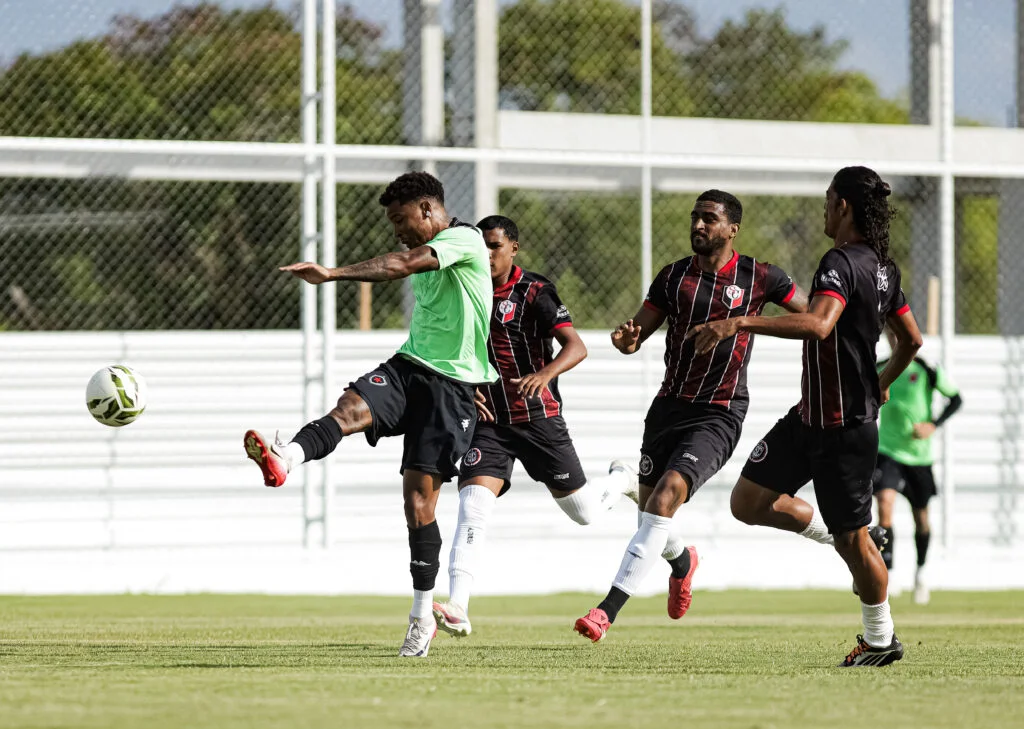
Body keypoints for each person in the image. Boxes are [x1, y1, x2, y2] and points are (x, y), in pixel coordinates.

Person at [242, 171, 495, 658]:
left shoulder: (464, 239)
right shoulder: (431, 245)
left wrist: (333, 274)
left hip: (453, 390)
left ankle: (422, 617)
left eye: (402, 219)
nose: (397, 230)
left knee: (418, 506)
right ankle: (286, 457)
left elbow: (402, 263)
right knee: (349, 408)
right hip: (409, 367)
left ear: (427, 209)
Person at [689, 166, 923, 667]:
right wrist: (881, 384)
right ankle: (833, 528)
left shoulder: (841, 261)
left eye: (826, 200)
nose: (822, 208)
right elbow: (911, 341)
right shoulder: (883, 266)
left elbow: (819, 324)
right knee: (747, 501)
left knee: (855, 547)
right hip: (808, 419)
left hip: (844, 430)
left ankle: (881, 641)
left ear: (843, 207)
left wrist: (740, 321)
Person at [573, 190, 810, 643]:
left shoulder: (761, 277)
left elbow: (814, 320)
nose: (698, 226)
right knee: (651, 514)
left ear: (732, 229)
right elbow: (636, 333)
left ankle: (606, 611)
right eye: (695, 218)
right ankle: (682, 562)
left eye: (709, 219)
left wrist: (742, 322)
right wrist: (627, 338)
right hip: (668, 408)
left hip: (718, 412)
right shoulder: (673, 277)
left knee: (662, 502)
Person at [431, 215, 638, 638]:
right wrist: (465, 388)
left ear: (513, 249)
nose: (486, 254)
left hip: (538, 418)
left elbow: (577, 346)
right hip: (490, 423)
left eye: (494, 246)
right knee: (473, 507)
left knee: (584, 513)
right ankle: (458, 606)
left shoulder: (535, 291)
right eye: (480, 246)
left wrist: (544, 375)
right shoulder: (466, 289)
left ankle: (621, 480)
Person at [874, 325, 962, 605]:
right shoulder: (879, 367)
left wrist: (932, 425)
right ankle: (888, 573)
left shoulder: (926, 368)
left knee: (921, 518)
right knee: (884, 507)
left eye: (897, 333)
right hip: (887, 450)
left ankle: (921, 574)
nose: (893, 338)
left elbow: (955, 398)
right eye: (889, 333)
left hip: (919, 457)